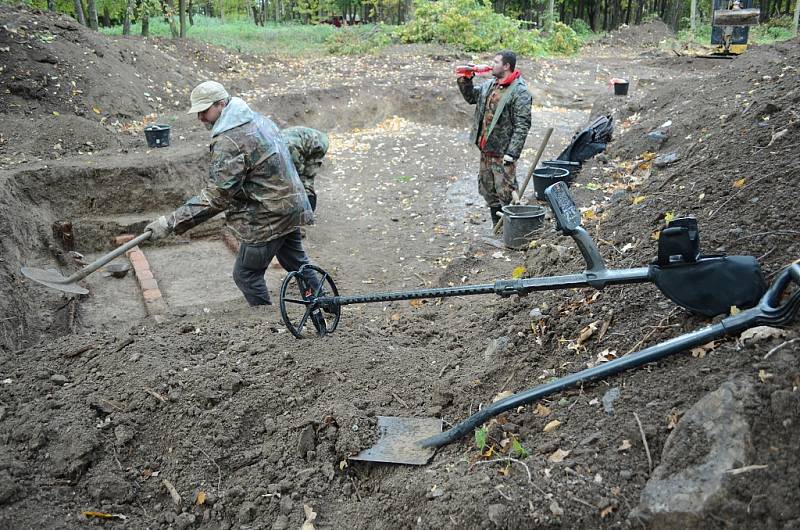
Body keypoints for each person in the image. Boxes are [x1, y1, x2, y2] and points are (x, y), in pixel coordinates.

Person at [145, 81, 320, 308]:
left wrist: (170, 222)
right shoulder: (257, 120)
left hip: (268, 217)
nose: (200, 118)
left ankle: (264, 319)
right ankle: (324, 303)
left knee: (246, 275)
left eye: (204, 111)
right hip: (290, 206)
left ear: (220, 104)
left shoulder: (229, 141)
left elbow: (217, 195)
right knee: (297, 262)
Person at [456, 50, 532, 226]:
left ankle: (513, 231)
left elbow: (523, 125)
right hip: (486, 150)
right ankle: (497, 229)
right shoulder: (491, 85)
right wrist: (466, 79)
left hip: (503, 153)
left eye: (496, 62)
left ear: (506, 66)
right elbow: (470, 98)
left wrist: (512, 153)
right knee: (488, 190)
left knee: (507, 192)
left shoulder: (519, 91)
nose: (492, 64)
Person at [282, 126, 329, 212]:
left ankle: (309, 212)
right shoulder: (276, 145)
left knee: (306, 179)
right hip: (305, 142)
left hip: (318, 144)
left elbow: (299, 169)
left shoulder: (287, 148)